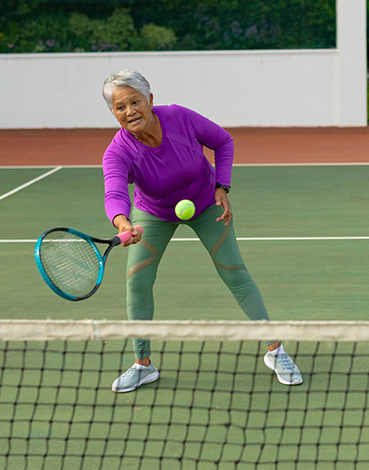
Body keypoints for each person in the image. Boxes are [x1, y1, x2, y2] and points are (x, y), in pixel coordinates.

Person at [101, 68, 302, 392]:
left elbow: (222, 141)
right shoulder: (119, 151)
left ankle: (275, 350)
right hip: (153, 212)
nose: (129, 112)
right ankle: (142, 364)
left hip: (206, 200)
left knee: (234, 272)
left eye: (135, 102)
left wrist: (223, 185)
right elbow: (114, 192)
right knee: (137, 281)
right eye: (120, 107)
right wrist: (123, 222)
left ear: (150, 100)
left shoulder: (179, 118)